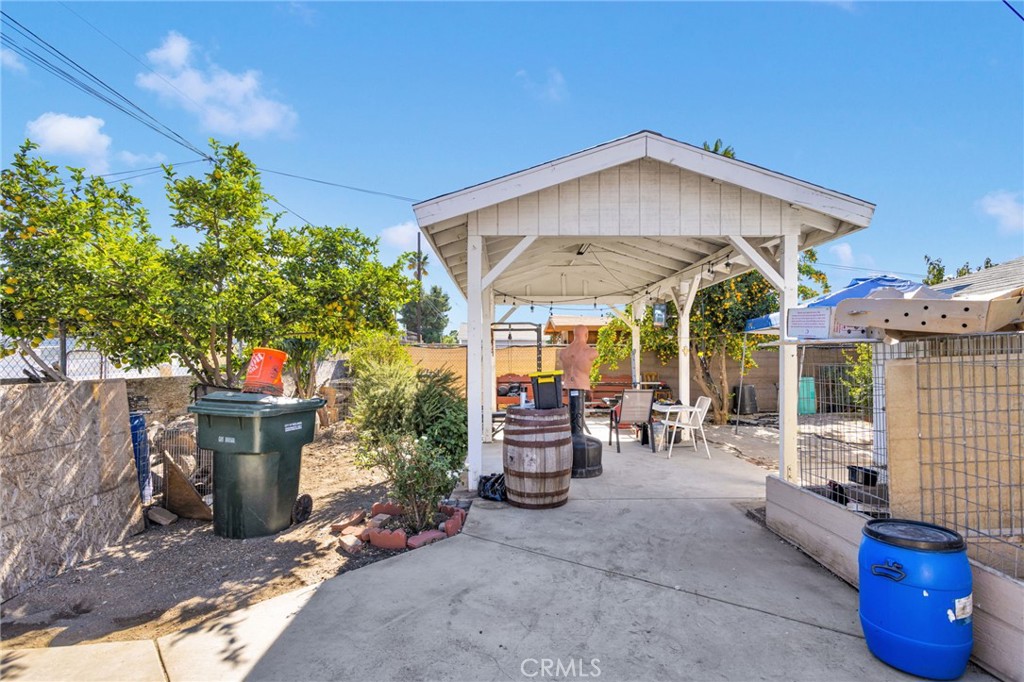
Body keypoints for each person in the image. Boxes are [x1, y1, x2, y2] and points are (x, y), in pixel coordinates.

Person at [559, 325, 598, 391]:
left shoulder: (563, 352)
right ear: (586, 335)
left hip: (567, 387)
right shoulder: (592, 352)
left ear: (574, 334)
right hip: (583, 386)